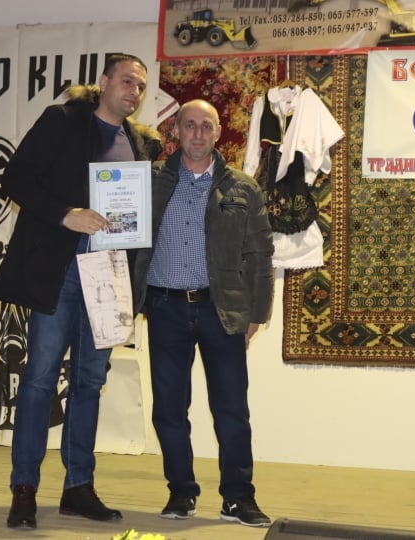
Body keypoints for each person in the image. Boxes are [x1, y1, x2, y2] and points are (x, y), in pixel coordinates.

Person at [0, 53, 162, 531]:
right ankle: (24, 488)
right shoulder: (63, 120)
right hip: (60, 270)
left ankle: (78, 488)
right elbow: (15, 178)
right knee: (40, 378)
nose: (134, 91)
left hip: (109, 274)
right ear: (103, 82)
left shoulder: (140, 144)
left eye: (140, 86)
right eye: (126, 81)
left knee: (90, 381)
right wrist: (65, 214)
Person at [132, 99, 274, 528]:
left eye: (206, 126)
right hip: (165, 309)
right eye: (189, 125)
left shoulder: (243, 188)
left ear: (217, 133)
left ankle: (238, 498)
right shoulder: (150, 181)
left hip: (221, 310)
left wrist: (257, 314)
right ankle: (181, 492)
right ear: (175, 131)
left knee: (231, 410)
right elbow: (123, 232)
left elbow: (260, 254)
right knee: (169, 409)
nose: (197, 133)